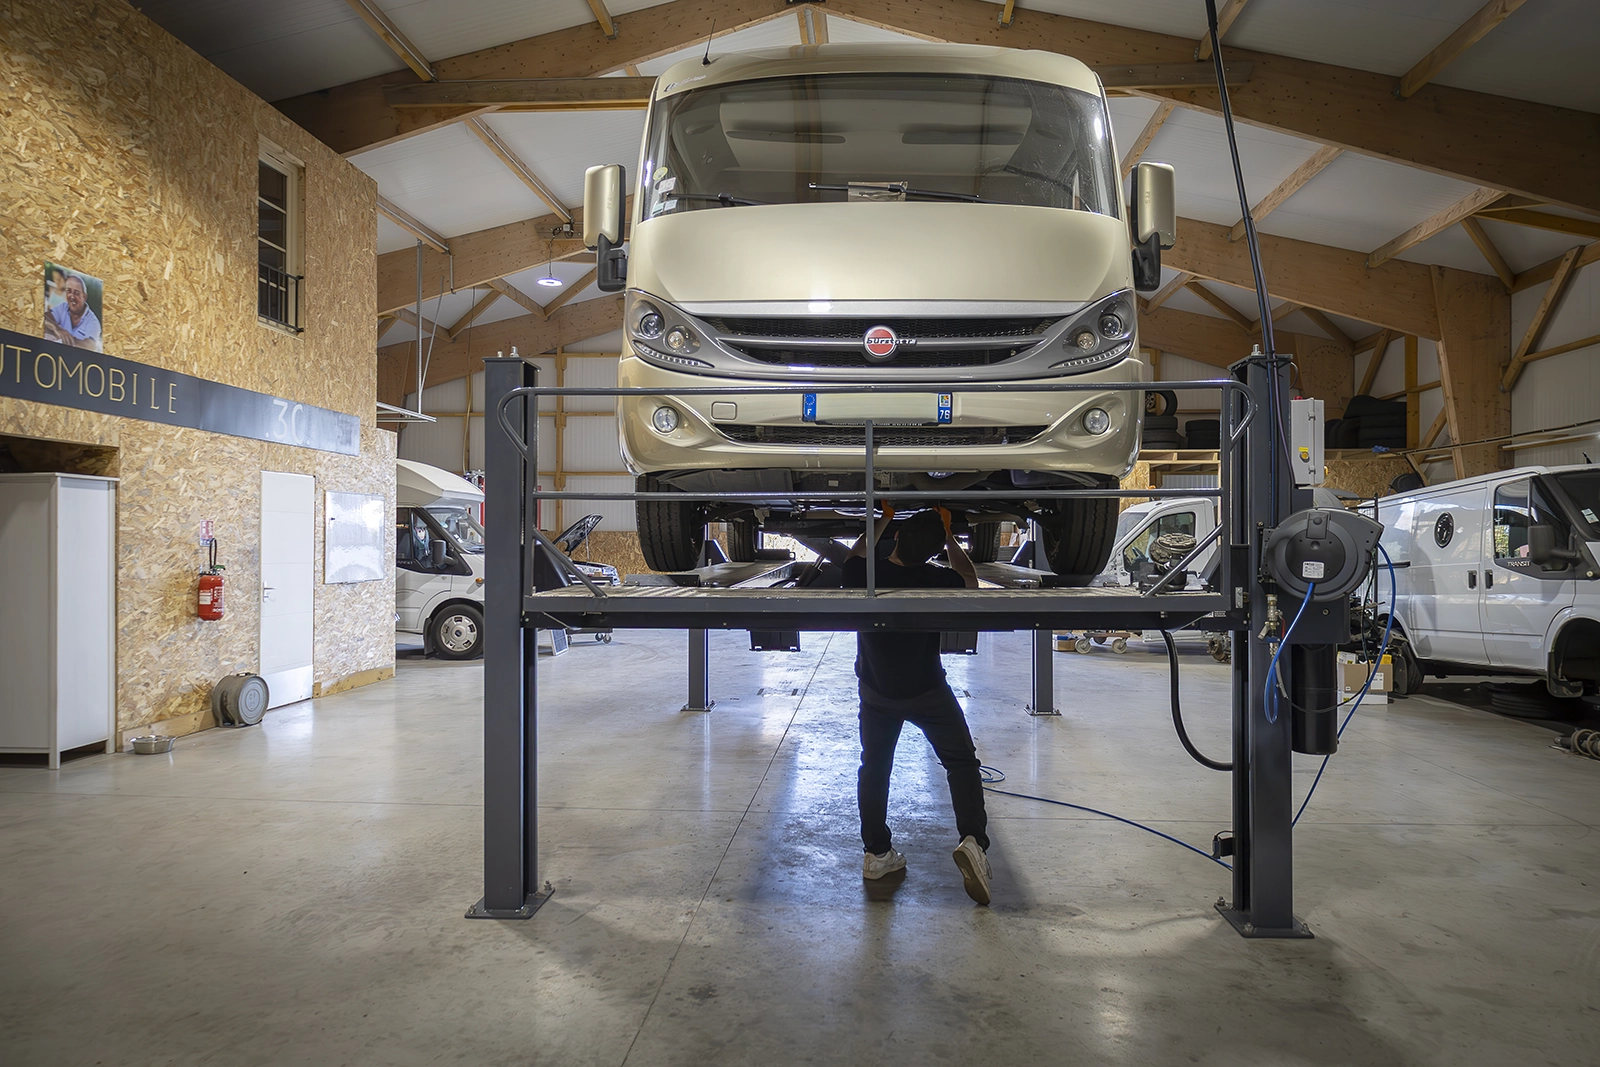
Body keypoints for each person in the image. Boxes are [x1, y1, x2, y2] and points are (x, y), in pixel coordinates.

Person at [841, 504, 994, 904]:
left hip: (877, 695)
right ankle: (973, 843)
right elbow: (970, 580)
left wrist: (884, 519)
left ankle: (876, 854)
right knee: (961, 763)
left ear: (897, 539)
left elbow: (855, 555)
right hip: (928, 693)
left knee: (874, 769)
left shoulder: (866, 575)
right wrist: (948, 536)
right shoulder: (937, 578)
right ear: (933, 551)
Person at [43, 273, 102, 351]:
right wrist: (56, 327)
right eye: (69, 291)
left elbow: (90, 346)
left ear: (84, 297)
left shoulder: (93, 322)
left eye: (77, 293)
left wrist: (62, 337)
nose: (72, 296)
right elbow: (44, 318)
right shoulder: (63, 307)